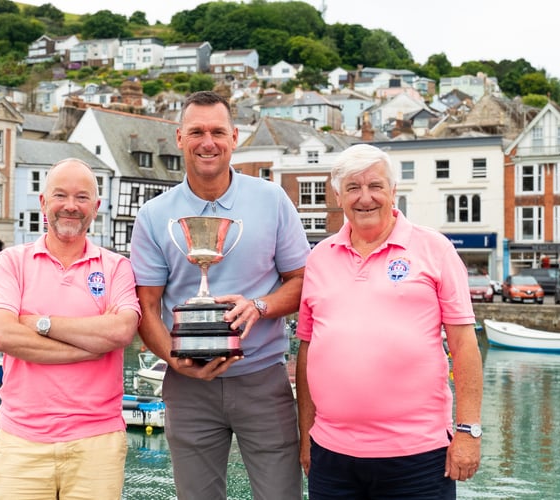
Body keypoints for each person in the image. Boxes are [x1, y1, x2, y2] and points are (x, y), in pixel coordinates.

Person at [130, 90, 311, 499]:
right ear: (179, 138)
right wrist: (177, 361)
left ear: (234, 137)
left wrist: (260, 306)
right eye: (196, 132)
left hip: (263, 378)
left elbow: (302, 281)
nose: (207, 142)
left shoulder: (272, 200)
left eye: (217, 132)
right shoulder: (154, 215)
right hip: (187, 385)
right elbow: (147, 307)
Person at [296, 144, 483, 499]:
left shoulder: (435, 249)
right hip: (332, 457)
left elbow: (464, 346)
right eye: (353, 188)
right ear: (338, 195)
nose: (365, 198)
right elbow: (308, 348)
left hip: (419, 458)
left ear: (393, 191)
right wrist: (306, 434)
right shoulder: (319, 258)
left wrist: (468, 432)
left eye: (375, 186)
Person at [0, 158, 141, 499]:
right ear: (43, 202)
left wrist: (41, 324)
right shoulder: (11, 261)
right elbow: (0, 335)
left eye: (82, 198)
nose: (70, 206)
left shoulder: (117, 268)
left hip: (97, 442)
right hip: (21, 441)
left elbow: (122, 331)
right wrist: (91, 345)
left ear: (96, 207)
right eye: (60, 196)